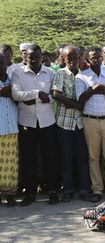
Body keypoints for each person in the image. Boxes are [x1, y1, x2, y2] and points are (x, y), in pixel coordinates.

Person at [11, 44, 59, 206]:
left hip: (47, 122)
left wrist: (35, 98)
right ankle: (30, 193)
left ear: (41, 57)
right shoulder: (18, 73)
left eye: (36, 57)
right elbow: (16, 94)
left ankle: (52, 191)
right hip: (27, 122)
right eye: (30, 57)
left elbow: (54, 96)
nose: (33, 60)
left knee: (50, 158)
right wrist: (38, 94)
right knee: (29, 159)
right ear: (25, 57)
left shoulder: (50, 73)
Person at [76, 47, 105, 202]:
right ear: (87, 59)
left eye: (99, 57)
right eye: (93, 58)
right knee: (93, 157)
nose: (97, 60)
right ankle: (97, 190)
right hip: (90, 120)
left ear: (102, 57)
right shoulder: (82, 76)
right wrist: (94, 89)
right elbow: (80, 99)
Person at [51, 45, 90, 202]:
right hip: (64, 122)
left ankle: (84, 188)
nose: (73, 61)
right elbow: (56, 94)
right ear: (63, 59)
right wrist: (76, 105)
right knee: (66, 157)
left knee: (81, 156)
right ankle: (68, 189)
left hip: (80, 122)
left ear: (79, 58)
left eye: (75, 58)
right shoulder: (60, 73)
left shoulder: (83, 75)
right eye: (69, 59)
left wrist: (75, 103)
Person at [0, 53, 19, 207]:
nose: (0, 65)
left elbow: (18, 97)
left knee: (10, 163)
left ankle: (9, 195)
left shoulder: (14, 79)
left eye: (2, 62)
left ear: (7, 63)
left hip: (11, 126)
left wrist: (11, 93)